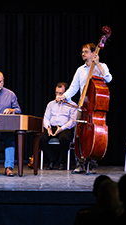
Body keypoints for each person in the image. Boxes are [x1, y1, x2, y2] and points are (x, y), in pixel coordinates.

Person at [56, 43, 113, 174]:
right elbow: (73, 88)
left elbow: (108, 79)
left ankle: (93, 164)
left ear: (94, 53)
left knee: (94, 135)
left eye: (86, 51)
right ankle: (80, 164)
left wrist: (97, 64)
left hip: (94, 107)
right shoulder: (80, 70)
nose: (83, 54)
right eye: (82, 51)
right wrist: (63, 96)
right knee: (79, 135)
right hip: (83, 107)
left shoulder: (102, 66)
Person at [39, 82, 77, 170]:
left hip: (64, 128)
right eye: (57, 93)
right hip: (51, 127)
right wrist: (48, 127)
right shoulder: (51, 104)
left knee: (64, 138)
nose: (58, 95)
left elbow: (72, 121)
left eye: (61, 93)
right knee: (40, 139)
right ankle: (52, 159)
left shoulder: (72, 105)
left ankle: (62, 162)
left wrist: (62, 128)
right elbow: (46, 118)